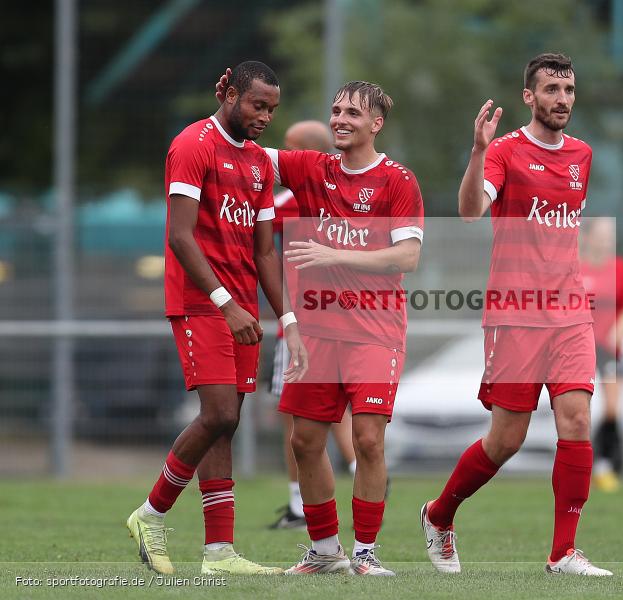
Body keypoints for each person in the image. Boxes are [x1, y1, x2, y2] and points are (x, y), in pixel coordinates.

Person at [217, 73, 424, 575]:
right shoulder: (312, 168)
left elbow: (408, 256)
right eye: (336, 111)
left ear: (376, 123)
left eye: (352, 113)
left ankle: (367, 554)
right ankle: (326, 551)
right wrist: (225, 105)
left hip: (375, 331)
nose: (340, 120)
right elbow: (239, 146)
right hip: (314, 333)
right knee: (304, 441)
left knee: (369, 440)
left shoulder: (397, 180)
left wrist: (334, 251)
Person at [420, 53, 611, 577]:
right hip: (516, 313)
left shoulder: (583, 155)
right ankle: (439, 515)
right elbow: (468, 211)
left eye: (569, 89)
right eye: (551, 89)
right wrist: (478, 153)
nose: (563, 99)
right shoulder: (504, 152)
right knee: (507, 439)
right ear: (529, 97)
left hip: (569, 311)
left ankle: (563, 553)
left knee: (576, 419)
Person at [126, 61, 307, 576]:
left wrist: (287, 318)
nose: (265, 116)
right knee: (220, 414)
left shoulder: (257, 163)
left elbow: (266, 253)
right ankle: (151, 512)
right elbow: (181, 236)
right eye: (257, 105)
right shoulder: (192, 144)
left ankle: (219, 553)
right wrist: (226, 302)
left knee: (225, 427)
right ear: (228, 94)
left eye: (272, 108)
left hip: (241, 307)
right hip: (201, 302)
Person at [267, 120, 357, 531]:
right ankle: (361, 474)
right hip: (342, 317)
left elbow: (256, 229)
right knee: (334, 412)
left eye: (289, 147)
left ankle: (300, 506)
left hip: (303, 322)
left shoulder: (295, 197)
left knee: (294, 415)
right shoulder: (347, 192)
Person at [580, 217, 623, 492]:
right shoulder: (575, 268)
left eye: (610, 234)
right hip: (580, 349)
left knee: (612, 409)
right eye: (601, 234)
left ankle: (605, 463)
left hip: (609, 349)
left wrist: (617, 332)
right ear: (587, 237)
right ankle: (584, 467)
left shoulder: (621, 268)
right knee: (581, 412)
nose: (606, 239)